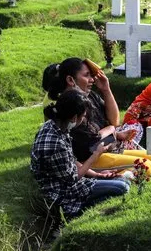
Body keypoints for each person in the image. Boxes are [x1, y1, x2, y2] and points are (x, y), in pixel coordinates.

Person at [42, 58, 151, 175]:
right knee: (147, 166)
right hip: (89, 159)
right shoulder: (68, 104)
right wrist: (111, 130)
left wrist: (106, 89)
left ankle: (119, 171)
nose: (92, 80)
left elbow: (114, 121)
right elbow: (92, 144)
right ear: (70, 80)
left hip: (107, 148)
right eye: (87, 75)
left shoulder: (90, 96)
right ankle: (113, 176)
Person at [31, 89, 130, 219]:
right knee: (122, 187)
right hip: (62, 194)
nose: (83, 120)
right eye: (83, 116)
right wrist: (96, 155)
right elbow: (73, 178)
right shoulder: (55, 143)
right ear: (74, 117)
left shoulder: (55, 126)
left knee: (122, 180)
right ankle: (77, 213)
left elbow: (70, 160)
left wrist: (97, 174)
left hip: (64, 183)